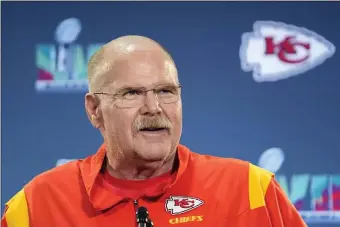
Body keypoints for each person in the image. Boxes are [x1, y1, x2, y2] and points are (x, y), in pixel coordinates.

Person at [1, 35, 307, 227]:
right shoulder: (36, 206)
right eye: (131, 93)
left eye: (166, 91)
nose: (153, 107)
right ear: (95, 110)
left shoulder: (251, 191)